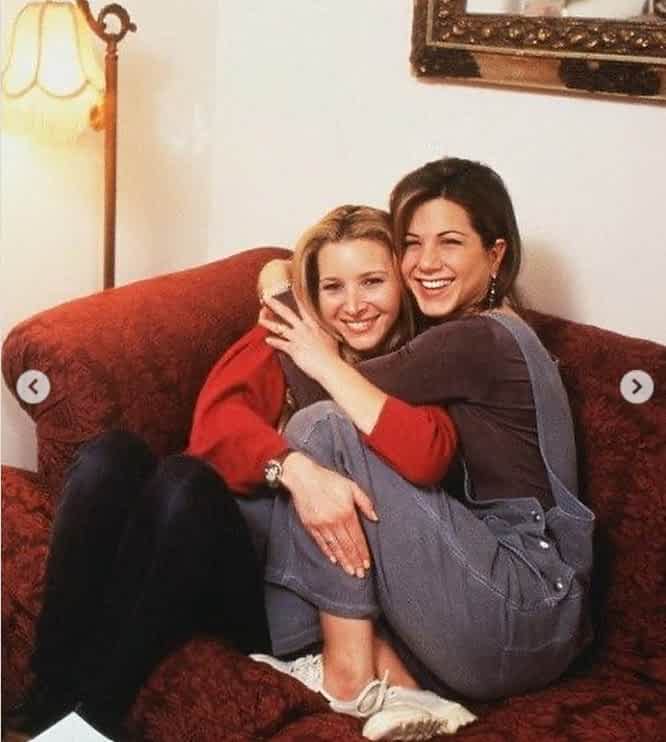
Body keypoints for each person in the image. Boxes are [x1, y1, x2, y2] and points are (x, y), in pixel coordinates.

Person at [3, 205, 458, 741]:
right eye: (333, 286)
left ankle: (95, 718)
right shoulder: (293, 336)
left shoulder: (425, 361)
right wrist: (295, 470)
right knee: (110, 455)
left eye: (373, 282)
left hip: (280, 602)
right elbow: (216, 427)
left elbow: (428, 454)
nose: (354, 305)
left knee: (183, 484)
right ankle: (47, 700)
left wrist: (330, 370)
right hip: (225, 543)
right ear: (311, 292)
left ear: (402, 281)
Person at [252, 157, 595, 741]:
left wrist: (277, 285)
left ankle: (345, 673)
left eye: (450, 242)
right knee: (280, 489)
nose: (426, 263)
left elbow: (322, 395)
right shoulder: (468, 330)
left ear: (495, 254)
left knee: (323, 428)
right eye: (411, 243)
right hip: (505, 605)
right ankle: (406, 688)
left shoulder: (478, 339)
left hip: (525, 606)